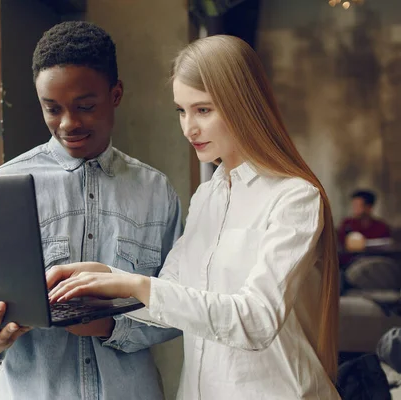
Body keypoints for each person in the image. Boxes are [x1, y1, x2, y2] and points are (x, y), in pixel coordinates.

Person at [47, 35, 341, 399]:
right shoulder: (208, 196)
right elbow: (169, 298)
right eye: (181, 111)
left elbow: (256, 320)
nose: (189, 128)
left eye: (203, 110)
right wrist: (104, 277)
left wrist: (133, 285)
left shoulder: (294, 197)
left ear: (243, 105)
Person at [0, 21, 183, 400]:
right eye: (52, 109)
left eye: (85, 107)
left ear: (115, 94)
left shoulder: (156, 192)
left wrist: (109, 327)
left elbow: (179, 309)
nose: (68, 124)